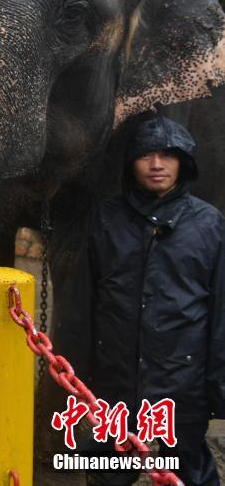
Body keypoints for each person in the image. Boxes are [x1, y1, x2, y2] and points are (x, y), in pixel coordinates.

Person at [78, 116, 225, 485]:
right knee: (108, 469)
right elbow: (84, 299)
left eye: (167, 156)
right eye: (146, 155)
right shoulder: (106, 220)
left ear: (183, 162)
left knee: (191, 469)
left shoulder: (209, 225)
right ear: (131, 163)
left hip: (182, 379)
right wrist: (84, 375)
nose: (157, 165)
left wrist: (216, 385)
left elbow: (220, 312)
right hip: (115, 377)